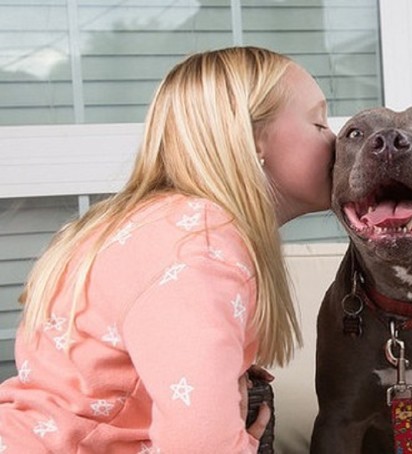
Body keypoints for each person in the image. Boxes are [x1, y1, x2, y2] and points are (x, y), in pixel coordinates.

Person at [0, 46, 335, 452]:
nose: (334, 138)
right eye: (319, 122)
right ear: (252, 138)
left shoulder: (155, 223)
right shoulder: (202, 245)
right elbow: (200, 445)